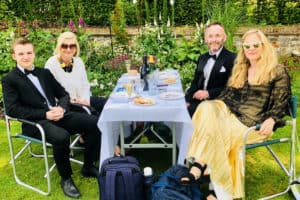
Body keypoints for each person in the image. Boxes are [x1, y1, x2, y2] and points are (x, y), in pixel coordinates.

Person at [181, 29, 291, 200]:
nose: (251, 49)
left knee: (220, 135)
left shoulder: (277, 71)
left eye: (256, 45)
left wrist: (272, 119)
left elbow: (281, 100)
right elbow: (228, 95)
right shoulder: (242, 68)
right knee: (206, 109)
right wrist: (212, 104)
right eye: (247, 46)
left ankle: (209, 179)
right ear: (243, 48)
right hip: (233, 114)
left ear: (264, 46)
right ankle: (206, 171)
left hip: (253, 122)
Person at [2, 37, 101, 199]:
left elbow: (63, 94)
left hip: (58, 114)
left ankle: (88, 166)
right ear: (14, 56)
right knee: (61, 136)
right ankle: (66, 179)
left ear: (34, 54)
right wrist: (45, 114)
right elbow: (13, 110)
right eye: (21, 54)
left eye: (29, 53)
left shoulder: (44, 73)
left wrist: (62, 108)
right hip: (35, 123)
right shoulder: (9, 80)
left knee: (95, 122)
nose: (25, 57)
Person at [45, 31, 107, 116]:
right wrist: (72, 101)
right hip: (65, 105)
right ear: (59, 47)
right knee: (95, 116)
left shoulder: (78, 62)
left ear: (76, 47)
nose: (68, 49)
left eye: (72, 46)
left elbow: (85, 85)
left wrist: (84, 100)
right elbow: (51, 92)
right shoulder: (51, 64)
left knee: (108, 104)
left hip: (82, 100)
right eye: (64, 46)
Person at [185, 22, 236, 117]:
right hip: (198, 101)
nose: (214, 40)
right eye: (210, 36)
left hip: (218, 103)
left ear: (224, 38)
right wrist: (187, 100)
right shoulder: (202, 58)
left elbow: (233, 88)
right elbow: (195, 82)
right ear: (205, 39)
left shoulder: (232, 58)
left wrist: (208, 93)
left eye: (218, 36)